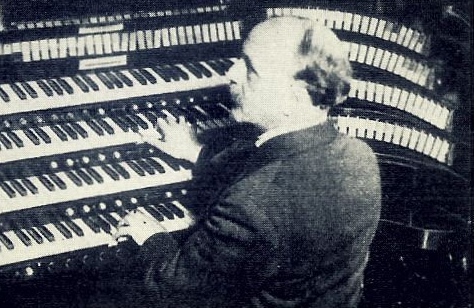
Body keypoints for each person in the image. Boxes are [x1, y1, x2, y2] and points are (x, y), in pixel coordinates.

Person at [112, 16, 381, 308]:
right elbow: (276, 169)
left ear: (295, 96)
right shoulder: (361, 158)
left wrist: (152, 238)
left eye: (250, 69)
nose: (232, 73)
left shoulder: (251, 207)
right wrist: (196, 152)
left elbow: (174, 291)